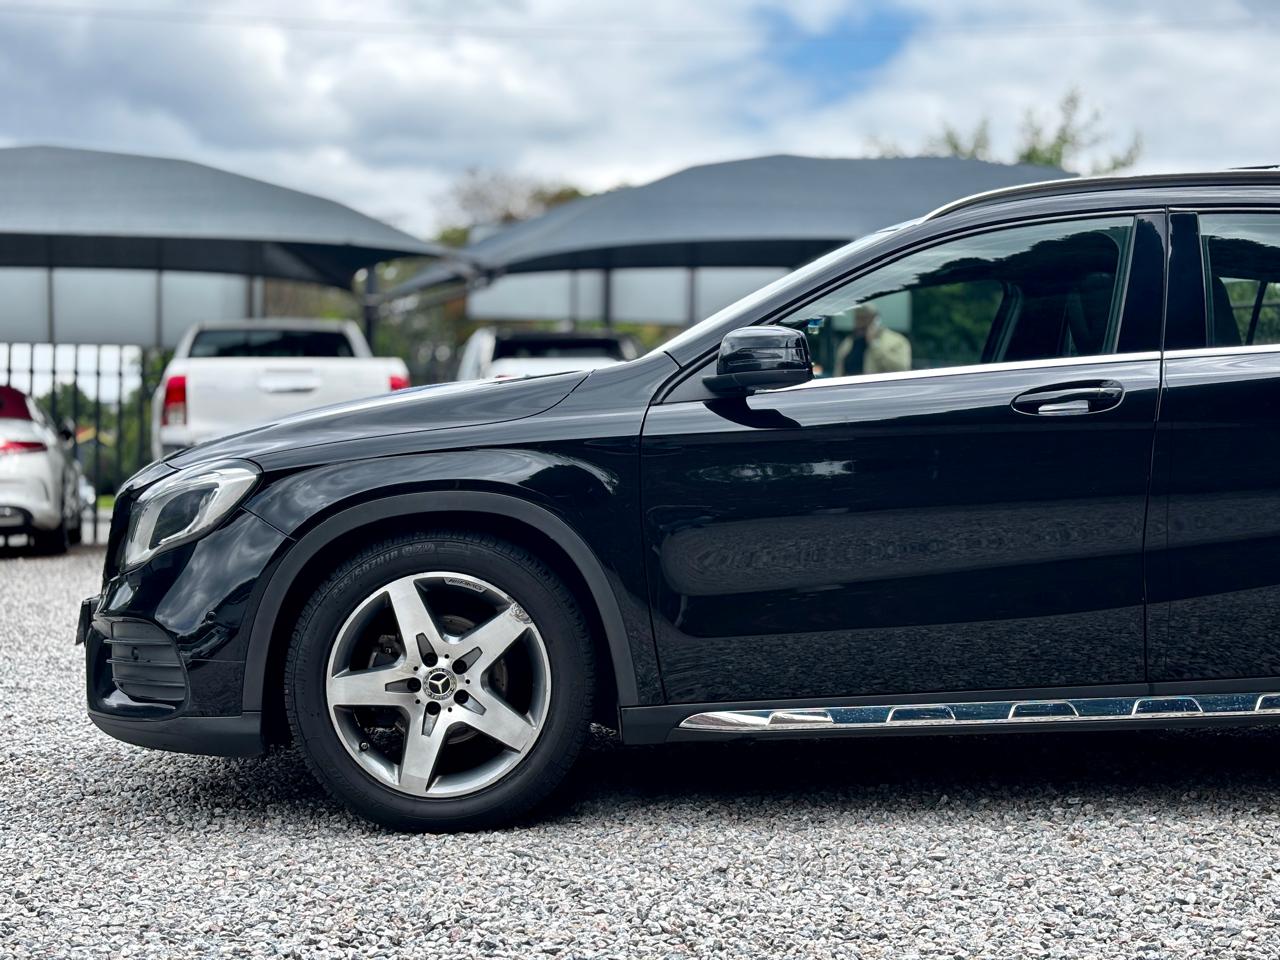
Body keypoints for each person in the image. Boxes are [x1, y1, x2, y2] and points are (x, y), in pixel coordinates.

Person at [835, 303, 911, 376]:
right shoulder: (848, 343)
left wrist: (874, 344)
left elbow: (901, 369)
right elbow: (839, 371)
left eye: (864, 318)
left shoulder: (896, 341)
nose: (860, 322)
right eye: (858, 318)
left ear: (876, 320)